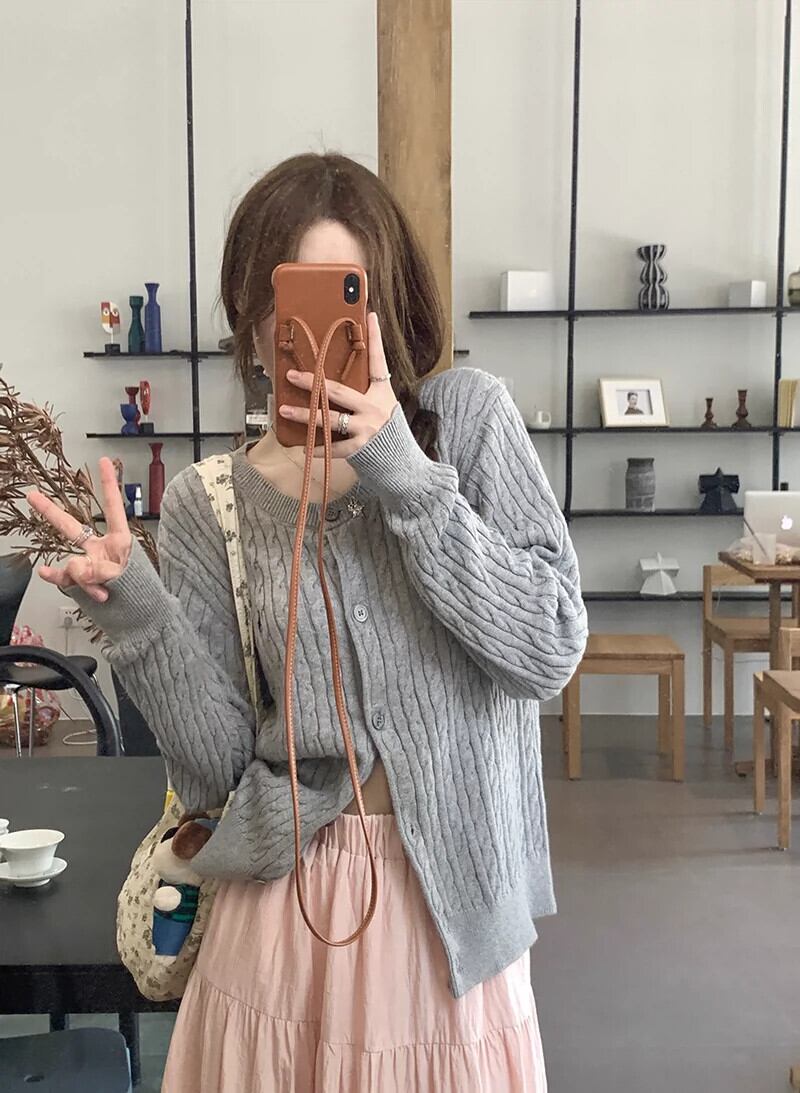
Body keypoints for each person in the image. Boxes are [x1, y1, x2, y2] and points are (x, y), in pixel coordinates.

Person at [29, 153, 588, 1093]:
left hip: (451, 914)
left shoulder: (470, 422)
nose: (314, 337)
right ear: (254, 320)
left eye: (345, 298)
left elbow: (549, 645)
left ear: (386, 302)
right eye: (286, 304)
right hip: (280, 916)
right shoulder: (214, 499)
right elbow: (214, 772)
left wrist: (403, 474)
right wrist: (141, 615)